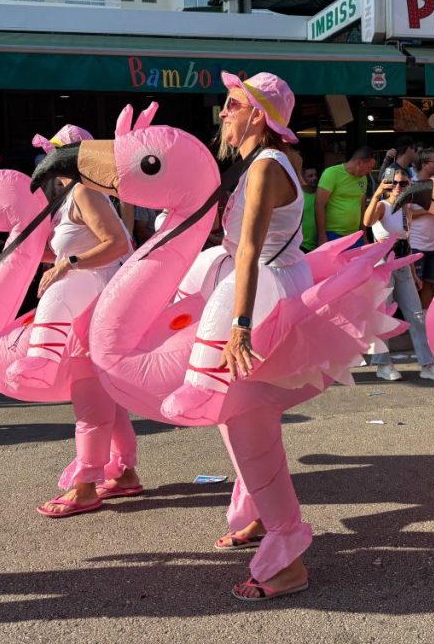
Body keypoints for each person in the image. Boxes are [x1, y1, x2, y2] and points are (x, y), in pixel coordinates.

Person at [176, 71, 313, 600]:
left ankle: (288, 558)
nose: (223, 113)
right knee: (234, 414)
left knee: (240, 414)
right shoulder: (270, 163)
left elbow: (252, 251)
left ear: (259, 114)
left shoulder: (264, 168)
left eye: (233, 104)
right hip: (260, 287)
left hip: (259, 295)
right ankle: (258, 513)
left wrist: (239, 325)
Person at [17, 125, 140, 517]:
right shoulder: (76, 193)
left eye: (55, 154)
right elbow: (88, 249)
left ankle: (86, 486)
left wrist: (65, 264)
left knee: (89, 398)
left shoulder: (85, 191)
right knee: (105, 396)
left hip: (93, 310)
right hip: (91, 304)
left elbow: (115, 246)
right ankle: (122, 473)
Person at [363, 167, 434, 382]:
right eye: (396, 183)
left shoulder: (405, 209)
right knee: (385, 316)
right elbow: (367, 222)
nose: (400, 187)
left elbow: (406, 242)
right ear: (388, 183)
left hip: (402, 263)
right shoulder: (383, 205)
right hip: (383, 264)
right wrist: (377, 192)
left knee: (417, 315)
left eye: (405, 183)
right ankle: (383, 364)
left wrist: (413, 273)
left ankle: (427, 364)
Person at [314, 147, 375, 248]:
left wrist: (364, 235)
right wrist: (322, 236)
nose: (369, 171)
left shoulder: (363, 178)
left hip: (355, 236)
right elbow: (319, 205)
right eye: (369, 167)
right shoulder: (331, 173)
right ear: (359, 162)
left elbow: (362, 208)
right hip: (333, 235)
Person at [408, 149, 434, 308]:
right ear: (424, 164)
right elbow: (406, 214)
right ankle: (417, 323)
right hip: (416, 244)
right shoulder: (409, 184)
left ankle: (425, 322)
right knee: (416, 285)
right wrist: (430, 209)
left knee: (430, 284)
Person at [299, 164, 319, 253]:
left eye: (315, 175)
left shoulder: (320, 196)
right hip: (301, 245)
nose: (314, 178)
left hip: (318, 244)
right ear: (302, 178)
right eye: (310, 176)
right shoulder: (298, 196)